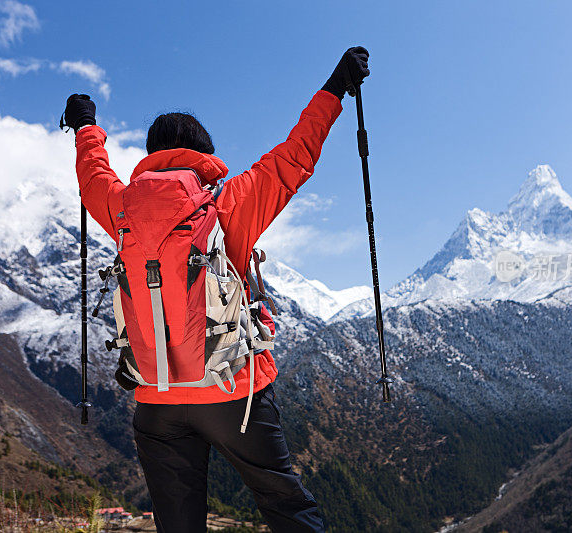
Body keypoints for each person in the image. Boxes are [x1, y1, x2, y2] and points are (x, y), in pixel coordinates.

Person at [62, 46, 370, 533]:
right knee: (287, 507)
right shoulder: (228, 202)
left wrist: (85, 125)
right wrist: (335, 88)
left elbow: (92, 174)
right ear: (203, 155)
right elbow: (296, 155)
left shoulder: (120, 208)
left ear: (152, 155)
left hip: (157, 400)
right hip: (233, 394)